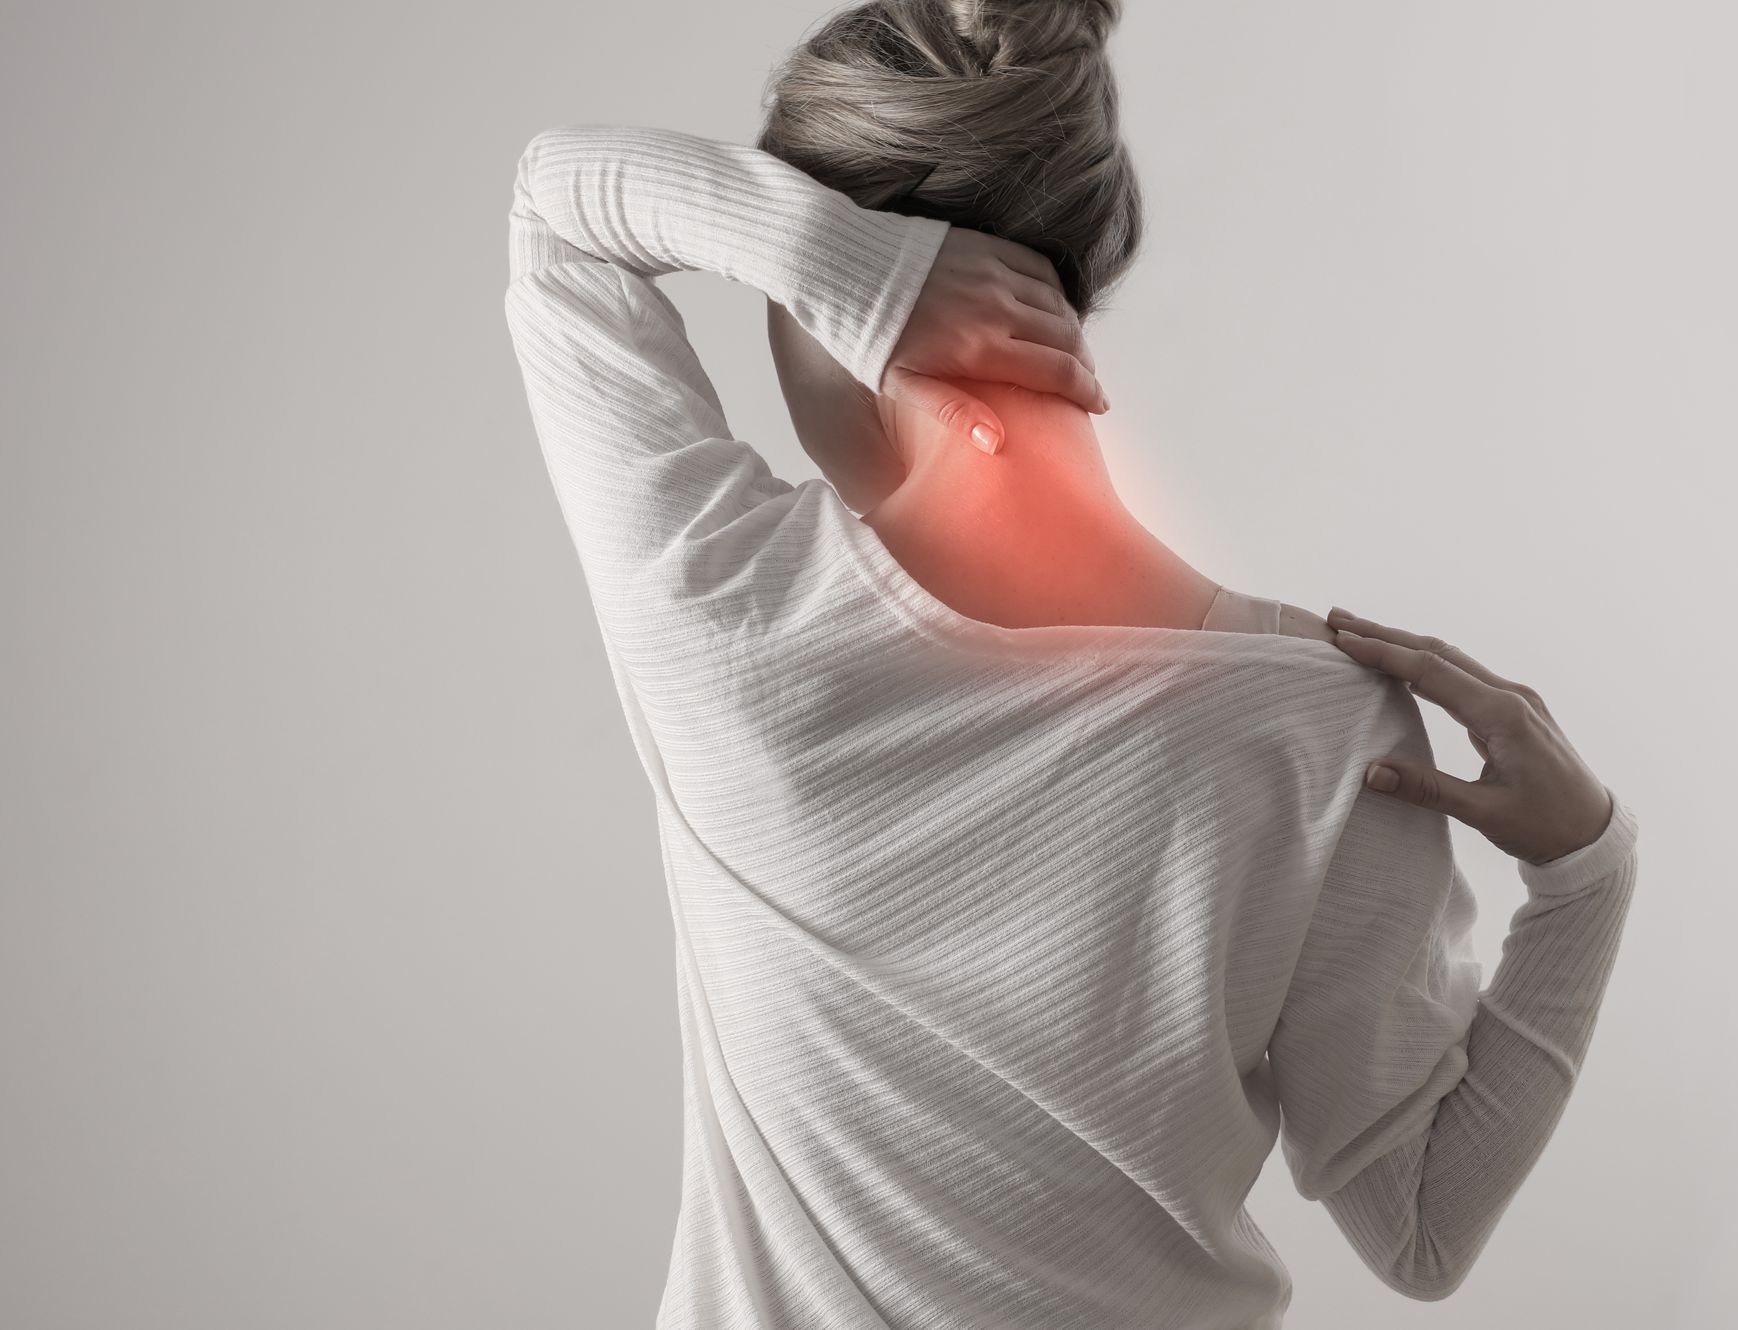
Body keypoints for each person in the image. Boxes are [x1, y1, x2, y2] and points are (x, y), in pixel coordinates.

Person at [500, 2, 1640, 1325]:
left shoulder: (729, 613)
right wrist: (1585, 876)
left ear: (825, 299)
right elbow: (1421, 1226)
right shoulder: (1328, 729)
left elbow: (553, 209)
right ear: (1084, 260)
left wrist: (836, 264)